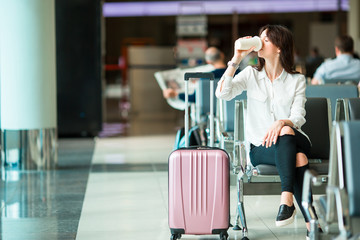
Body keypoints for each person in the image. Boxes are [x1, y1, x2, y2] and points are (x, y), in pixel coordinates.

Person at [216, 24, 318, 237]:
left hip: (296, 138)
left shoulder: (296, 80)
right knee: (298, 159)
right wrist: (235, 59)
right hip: (261, 148)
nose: (260, 42)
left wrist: (282, 122)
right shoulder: (250, 75)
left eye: (266, 39)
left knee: (287, 132)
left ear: (279, 47)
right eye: (259, 38)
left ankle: (286, 200)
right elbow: (222, 94)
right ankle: (311, 221)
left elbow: (298, 116)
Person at [162, 47, 227, 102]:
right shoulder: (236, 73)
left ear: (208, 62)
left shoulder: (206, 78)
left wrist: (175, 94)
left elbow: (195, 98)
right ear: (222, 55)